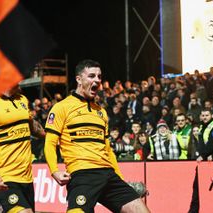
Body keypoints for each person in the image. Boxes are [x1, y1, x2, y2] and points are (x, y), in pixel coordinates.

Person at [44, 59, 150, 212]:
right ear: (79, 79)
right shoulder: (61, 108)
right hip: (82, 174)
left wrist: (119, 178)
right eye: (92, 76)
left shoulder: (101, 112)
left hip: (108, 174)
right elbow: (50, 143)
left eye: (99, 77)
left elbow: (107, 149)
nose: (97, 81)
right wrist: (54, 171)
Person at [0, 85, 45, 213]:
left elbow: (34, 128)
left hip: (26, 179)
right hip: (3, 179)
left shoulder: (22, 100)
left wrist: (53, 135)